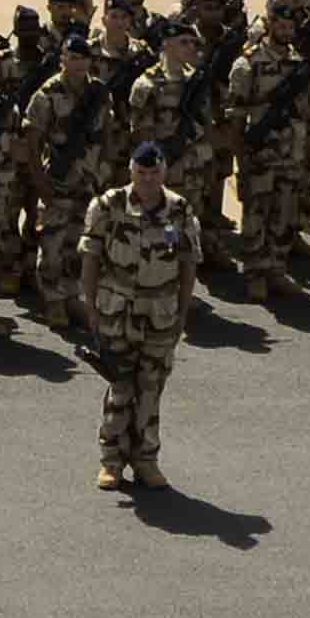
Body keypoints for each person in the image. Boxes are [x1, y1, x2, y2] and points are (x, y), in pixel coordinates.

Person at [79, 140, 198, 494]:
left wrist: (182, 313)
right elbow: (90, 259)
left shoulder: (179, 210)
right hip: (118, 311)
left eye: (154, 173)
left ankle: (146, 460)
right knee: (119, 387)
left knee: (151, 390)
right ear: (131, 170)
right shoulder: (108, 206)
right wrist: (91, 308)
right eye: (141, 172)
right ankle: (111, 461)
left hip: (160, 314)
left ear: (165, 172)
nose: (147, 180)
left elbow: (188, 264)